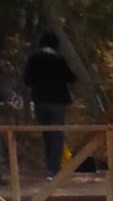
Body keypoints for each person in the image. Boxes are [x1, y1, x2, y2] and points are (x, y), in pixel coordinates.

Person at [23, 31, 76, 177]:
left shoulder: (34, 60)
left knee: (46, 133)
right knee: (57, 133)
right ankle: (54, 168)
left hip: (40, 100)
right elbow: (71, 78)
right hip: (58, 101)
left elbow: (26, 80)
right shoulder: (59, 60)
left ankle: (49, 167)